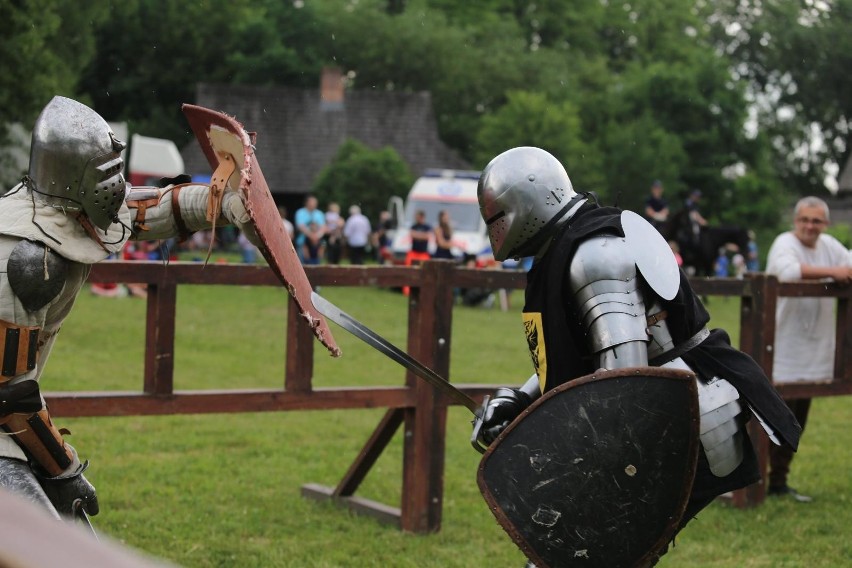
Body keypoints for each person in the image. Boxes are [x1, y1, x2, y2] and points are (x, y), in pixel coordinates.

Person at [472, 147, 801, 565]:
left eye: (498, 218)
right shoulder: (567, 246)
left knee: (587, 557)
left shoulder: (597, 255)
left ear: (529, 201)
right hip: (662, 408)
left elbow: (624, 387)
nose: (497, 233)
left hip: (680, 412)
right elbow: (583, 355)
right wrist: (520, 397)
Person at [0, 96, 259, 522]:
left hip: (11, 418)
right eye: (105, 173)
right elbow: (10, 395)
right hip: (4, 423)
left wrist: (227, 204)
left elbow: (154, 208)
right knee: (52, 546)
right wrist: (64, 469)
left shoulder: (66, 207)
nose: (116, 184)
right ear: (73, 177)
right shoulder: (24, 260)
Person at [764, 196, 852, 502]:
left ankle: (778, 482)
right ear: (795, 220)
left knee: (798, 419)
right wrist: (834, 273)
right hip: (782, 347)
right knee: (772, 417)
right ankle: (753, 483)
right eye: (805, 220)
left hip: (815, 348)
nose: (810, 226)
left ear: (825, 224)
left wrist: (841, 270)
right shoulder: (783, 243)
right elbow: (787, 272)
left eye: (816, 221)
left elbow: (849, 262)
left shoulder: (829, 246)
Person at [294, 195, 325, 264]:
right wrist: (311, 235)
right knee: (302, 264)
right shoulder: (300, 212)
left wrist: (317, 236)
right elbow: (300, 226)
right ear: (307, 203)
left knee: (316, 265)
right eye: (312, 202)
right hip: (302, 243)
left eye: (315, 203)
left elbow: (323, 227)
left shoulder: (319, 214)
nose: (314, 204)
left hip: (317, 244)